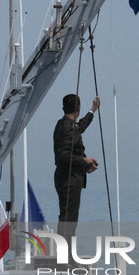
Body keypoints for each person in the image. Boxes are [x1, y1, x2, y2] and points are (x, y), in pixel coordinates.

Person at [53, 94, 100, 239]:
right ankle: (65, 259)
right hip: (69, 180)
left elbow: (80, 126)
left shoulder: (66, 124)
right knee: (68, 221)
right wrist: (84, 161)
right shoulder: (68, 127)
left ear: (63, 108)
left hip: (68, 178)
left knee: (69, 220)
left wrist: (93, 110)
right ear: (78, 108)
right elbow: (64, 157)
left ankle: (68, 257)